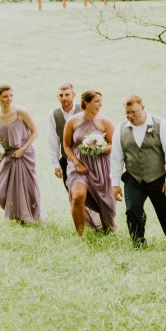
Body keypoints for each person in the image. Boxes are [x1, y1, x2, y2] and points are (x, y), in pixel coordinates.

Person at [109, 95, 166, 247]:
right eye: (127, 113)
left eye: (134, 112)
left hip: (158, 178)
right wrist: (115, 184)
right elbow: (116, 158)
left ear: (143, 107)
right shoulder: (120, 129)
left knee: (165, 211)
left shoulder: (161, 125)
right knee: (132, 209)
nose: (130, 116)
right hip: (133, 178)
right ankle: (138, 242)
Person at [0, 85, 45, 223]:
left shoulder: (21, 112)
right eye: (5, 96)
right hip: (6, 156)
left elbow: (35, 132)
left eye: (11, 95)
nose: (9, 99)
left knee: (26, 187)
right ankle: (14, 213)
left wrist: (22, 149)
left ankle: (27, 217)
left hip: (24, 154)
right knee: (0, 192)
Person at [63, 90, 116, 235]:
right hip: (78, 166)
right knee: (77, 196)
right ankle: (80, 234)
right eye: (97, 101)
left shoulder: (105, 121)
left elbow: (114, 145)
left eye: (101, 101)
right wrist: (76, 163)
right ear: (86, 103)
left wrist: (98, 148)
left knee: (103, 201)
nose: (100, 104)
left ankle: (106, 231)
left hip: (100, 166)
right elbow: (67, 146)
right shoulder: (72, 121)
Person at [47, 83, 81, 189]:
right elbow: (53, 140)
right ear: (57, 97)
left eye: (67, 94)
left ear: (73, 95)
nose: (64, 98)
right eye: (61, 95)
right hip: (66, 160)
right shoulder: (53, 114)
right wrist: (56, 165)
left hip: (86, 159)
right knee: (72, 194)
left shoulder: (83, 109)